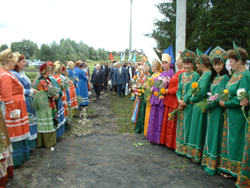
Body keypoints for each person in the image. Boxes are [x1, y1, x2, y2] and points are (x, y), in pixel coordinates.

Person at [219, 41, 250, 178]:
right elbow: (228, 90)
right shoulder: (234, 75)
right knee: (229, 140)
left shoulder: (245, 75)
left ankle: (237, 170)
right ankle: (229, 167)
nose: (229, 64)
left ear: (239, 61)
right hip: (230, 114)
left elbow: (240, 98)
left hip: (238, 115)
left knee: (237, 140)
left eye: (231, 61)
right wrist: (222, 98)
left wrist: (226, 104)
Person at [201, 46, 230, 175]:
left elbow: (218, 95)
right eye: (215, 64)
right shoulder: (215, 78)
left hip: (217, 110)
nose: (217, 67)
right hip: (212, 109)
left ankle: (214, 163)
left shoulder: (224, 78)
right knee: (210, 133)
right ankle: (208, 161)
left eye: (219, 64)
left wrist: (207, 105)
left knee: (215, 133)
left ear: (223, 64)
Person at [0, 49, 31, 167]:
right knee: (14, 132)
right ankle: (16, 158)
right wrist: (13, 111)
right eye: (14, 61)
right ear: (9, 62)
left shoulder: (5, 72)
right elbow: (7, 96)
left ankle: (18, 157)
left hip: (16, 105)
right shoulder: (5, 75)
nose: (15, 64)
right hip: (13, 108)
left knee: (16, 132)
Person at [187, 49, 212, 163]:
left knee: (198, 129)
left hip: (199, 104)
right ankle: (194, 153)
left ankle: (197, 154)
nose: (196, 66)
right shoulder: (204, 74)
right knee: (196, 128)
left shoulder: (207, 74)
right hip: (197, 104)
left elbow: (201, 92)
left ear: (202, 64)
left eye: (197, 64)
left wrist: (192, 98)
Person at [11, 52, 38, 149]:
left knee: (30, 121)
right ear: (17, 63)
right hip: (23, 100)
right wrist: (30, 91)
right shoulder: (14, 74)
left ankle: (31, 143)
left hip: (28, 100)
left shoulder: (21, 73)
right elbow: (18, 90)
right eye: (23, 61)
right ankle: (27, 145)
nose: (25, 63)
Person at [176, 50, 200, 156]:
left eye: (188, 64)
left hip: (189, 105)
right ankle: (180, 148)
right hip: (181, 103)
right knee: (181, 125)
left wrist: (184, 101)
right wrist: (179, 100)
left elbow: (191, 90)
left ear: (192, 64)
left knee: (188, 125)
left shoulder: (195, 75)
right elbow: (179, 90)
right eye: (184, 64)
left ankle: (187, 149)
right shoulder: (182, 76)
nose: (186, 66)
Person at [146, 55, 174, 144]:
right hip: (156, 97)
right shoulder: (162, 73)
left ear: (169, 64)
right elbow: (156, 83)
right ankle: (152, 137)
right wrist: (153, 88)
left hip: (161, 98)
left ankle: (158, 138)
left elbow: (165, 86)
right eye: (163, 63)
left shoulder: (170, 73)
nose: (164, 65)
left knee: (159, 118)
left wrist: (155, 89)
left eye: (166, 63)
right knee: (154, 116)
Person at [160, 52, 185, 149]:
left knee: (172, 123)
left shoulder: (181, 73)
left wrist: (168, 91)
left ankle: (171, 143)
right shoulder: (178, 72)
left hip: (174, 99)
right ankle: (167, 142)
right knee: (169, 122)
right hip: (170, 99)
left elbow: (178, 88)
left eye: (178, 62)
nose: (176, 64)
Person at [33, 63, 57, 148]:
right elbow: (40, 93)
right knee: (44, 122)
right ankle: (45, 142)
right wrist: (50, 95)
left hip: (49, 104)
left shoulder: (47, 79)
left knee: (48, 122)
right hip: (43, 105)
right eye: (49, 70)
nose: (51, 72)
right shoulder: (39, 80)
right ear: (45, 71)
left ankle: (50, 141)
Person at [144, 59, 162, 137]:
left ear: (156, 67)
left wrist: (151, 88)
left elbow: (158, 86)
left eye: (152, 66)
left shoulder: (159, 75)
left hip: (154, 96)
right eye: (151, 66)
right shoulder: (153, 74)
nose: (151, 67)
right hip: (150, 95)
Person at [134, 62, 153, 134]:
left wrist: (140, 87)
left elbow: (148, 88)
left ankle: (143, 129)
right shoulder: (147, 77)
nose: (142, 70)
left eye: (144, 68)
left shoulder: (150, 78)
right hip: (143, 97)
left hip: (146, 98)